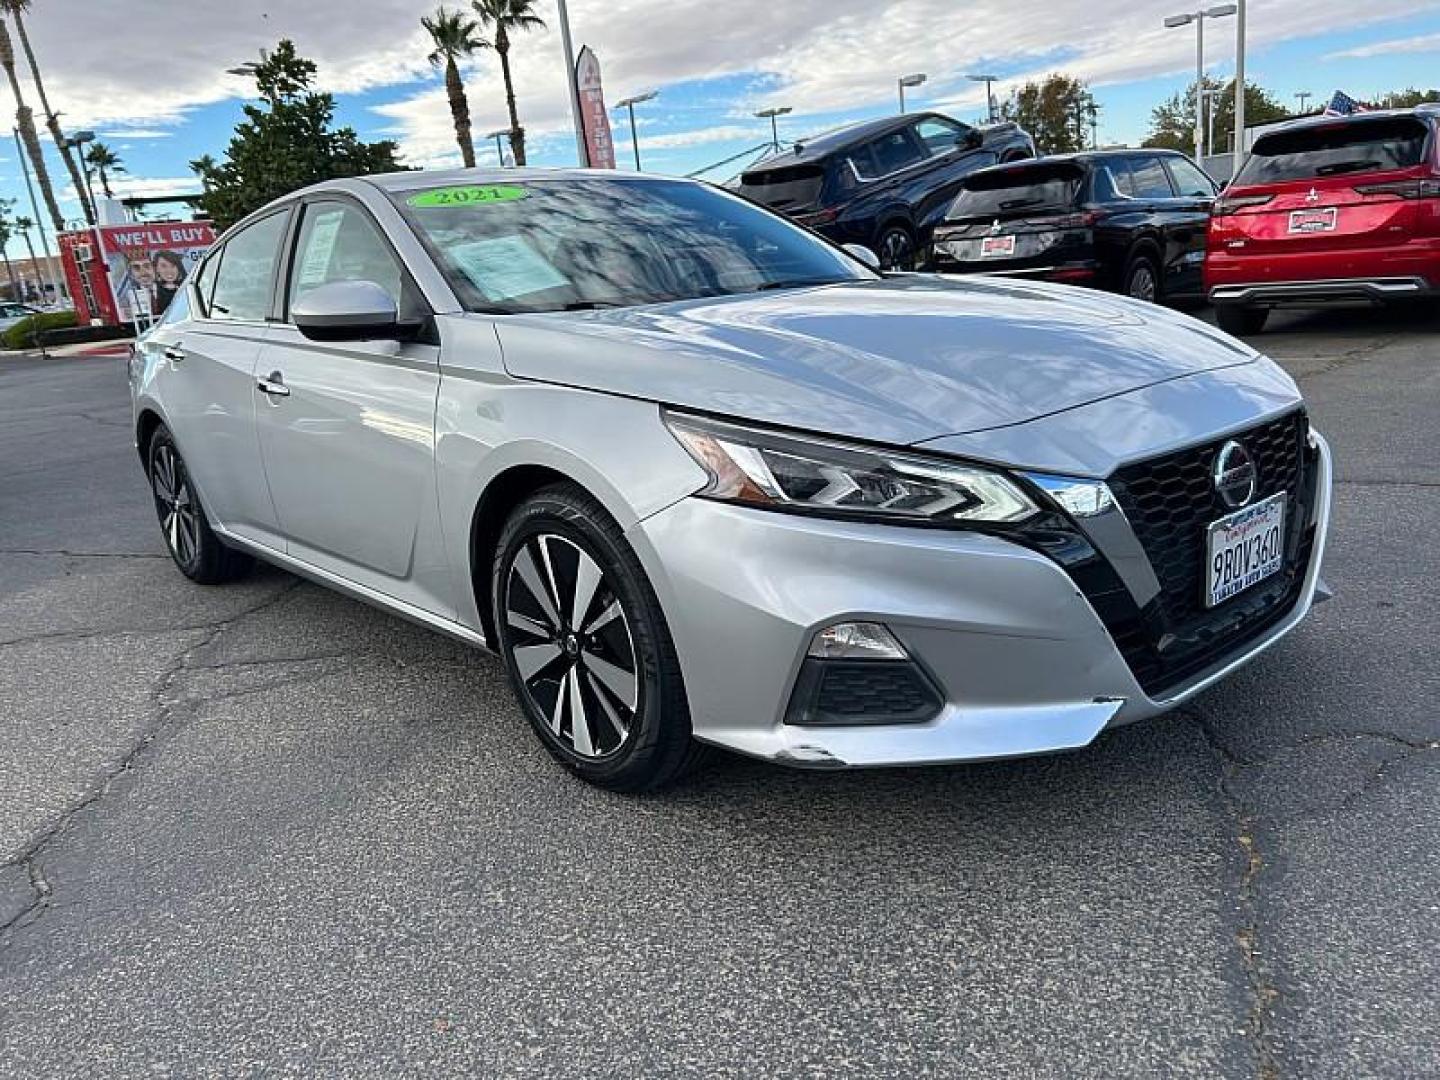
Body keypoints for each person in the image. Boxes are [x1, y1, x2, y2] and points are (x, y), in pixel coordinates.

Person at [151, 250, 187, 316]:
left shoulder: (188, 287)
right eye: (163, 266)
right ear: (156, 269)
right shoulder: (152, 290)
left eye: (173, 266)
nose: (169, 270)